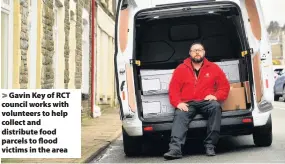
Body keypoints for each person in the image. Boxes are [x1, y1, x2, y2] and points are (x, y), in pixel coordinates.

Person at [163, 42, 230, 160]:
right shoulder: (181, 69)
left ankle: (210, 145)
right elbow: (173, 89)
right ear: (190, 53)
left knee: (215, 107)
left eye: (200, 50)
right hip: (188, 102)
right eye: (194, 50)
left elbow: (224, 87)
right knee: (179, 114)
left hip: (206, 101)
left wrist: (216, 96)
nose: (197, 52)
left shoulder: (214, 68)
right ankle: (175, 149)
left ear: (204, 52)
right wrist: (178, 103)